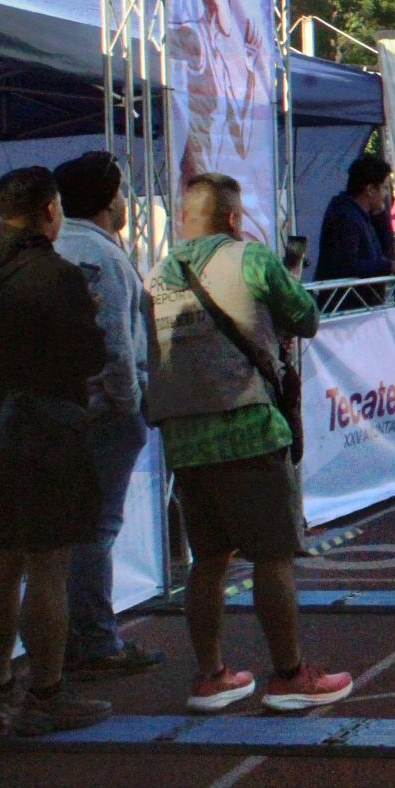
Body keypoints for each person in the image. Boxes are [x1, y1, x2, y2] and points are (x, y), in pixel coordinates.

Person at [144, 172, 351, 714]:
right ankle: (289, 675)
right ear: (234, 218)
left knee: (208, 559)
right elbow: (306, 318)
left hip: (182, 436)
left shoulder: (156, 275)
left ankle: (211, 675)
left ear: (184, 218)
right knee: (272, 555)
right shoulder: (251, 258)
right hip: (248, 427)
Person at [0, 167, 113, 735]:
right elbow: (90, 357)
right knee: (48, 566)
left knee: (4, 561)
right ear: (51, 210)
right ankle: (46, 694)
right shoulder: (55, 274)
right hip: (46, 432)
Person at [51, 152, 165, 680]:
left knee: (59, 536)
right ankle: (95, 640)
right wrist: (129, 404)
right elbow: (116, 346)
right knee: (96, 528)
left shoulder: (52, 247)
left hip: (56, 410)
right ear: (105, 198)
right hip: (100, 413)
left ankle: (67, 639)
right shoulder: (102, 255)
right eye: (120, 190)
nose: (125, 201)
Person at [314, 154, 395, 288]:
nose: (386, 194)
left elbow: (387, 252)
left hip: (364, 297)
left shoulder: (363, 214)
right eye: (385, 188)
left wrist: (381, 216)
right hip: (347, 298)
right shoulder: (345, 217)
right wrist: (391, 266)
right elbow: (346, 265)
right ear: (370, 190)